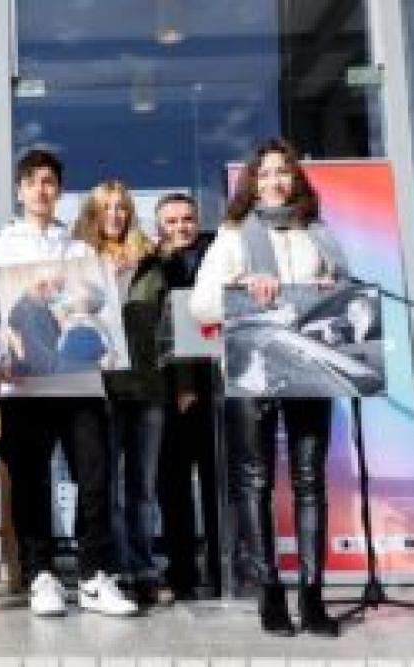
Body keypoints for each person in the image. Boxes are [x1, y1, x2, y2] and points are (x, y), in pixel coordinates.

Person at [190, 137, 344, 637]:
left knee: (309, 480)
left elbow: (347, 292)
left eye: (283, 171)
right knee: (254, 481)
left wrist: (332, 290)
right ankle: (269, 594)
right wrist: (243, 286)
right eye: (265, 174)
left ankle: (313, 597)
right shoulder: (234, 235)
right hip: (253, 367)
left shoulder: (317, 232)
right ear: (252, 184)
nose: (275, 181)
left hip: (310, 367)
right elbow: (200, 305)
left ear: (295, 178)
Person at [0, 150, 136, 618]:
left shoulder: (80, 252)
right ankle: (40, 575)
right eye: (32, 182)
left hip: (79, 382)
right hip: (24, 384)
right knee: (31, 480)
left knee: (94, 476)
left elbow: (102, 313)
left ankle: (94, 576)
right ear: (20, 190)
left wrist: (113, 289)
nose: (41, 190)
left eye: (49, 182)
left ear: (59, 190)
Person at [74, 179, 169, 607]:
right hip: (102, 389)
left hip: (148, 387)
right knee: (106, 487)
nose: (115, 215)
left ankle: (145, 568)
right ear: (93, 215)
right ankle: (116, 570)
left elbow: (169, 327)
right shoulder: (81, 263)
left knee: (143, 487)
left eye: (121, 208)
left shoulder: (151, 262)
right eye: (106, 208)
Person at [153, 192, 221, 600]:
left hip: (216, 389)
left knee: (217, 484)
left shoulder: (216, 258)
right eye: (172, 221)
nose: (181, 227)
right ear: (160, 227)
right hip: (168, 392)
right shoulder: (154, 265)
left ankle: (221, 567)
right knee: (173, 486)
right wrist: (181, 385)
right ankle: (181, 571)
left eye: (187, 219)